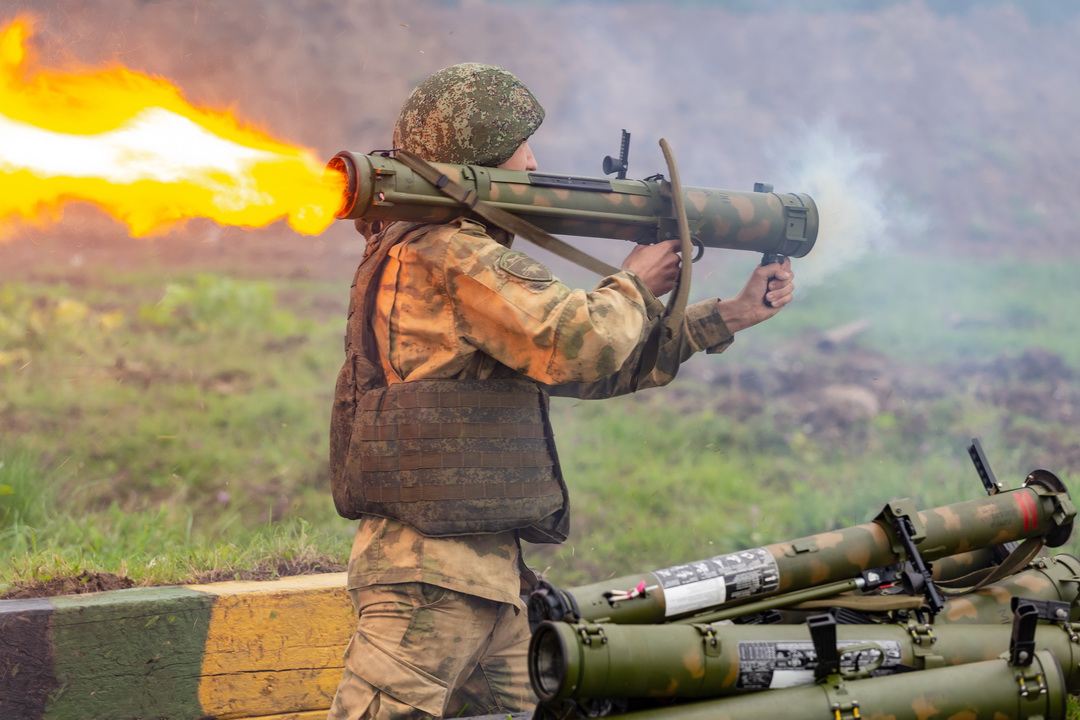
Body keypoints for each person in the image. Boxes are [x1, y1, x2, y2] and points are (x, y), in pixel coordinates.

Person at [326, 62, 795, 720]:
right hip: (429, 585)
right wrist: (634, 282)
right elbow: (577, 344)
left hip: (484, 583)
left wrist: (730, 315)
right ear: (483, 158)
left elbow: (593, 367)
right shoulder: (451, 254)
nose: (534, 161)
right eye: (522, 147)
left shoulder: (429, 251)